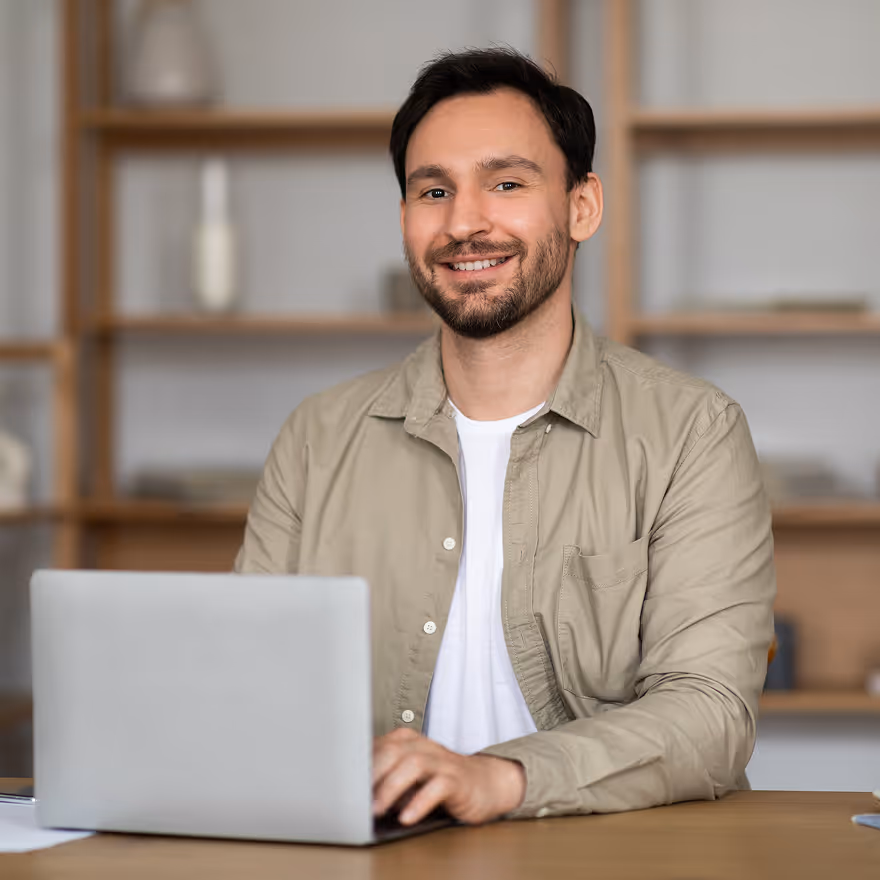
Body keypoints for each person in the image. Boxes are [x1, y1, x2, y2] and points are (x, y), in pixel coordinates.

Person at [234, 48, 776, 827]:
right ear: (405, 220)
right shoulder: (318, 437)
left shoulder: (693, 433)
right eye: (434, 191)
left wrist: (500, 778)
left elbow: (712, 716)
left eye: (508, 183)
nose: (464, 222)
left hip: (606, 856)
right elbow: (248, 689)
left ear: (582, 206)